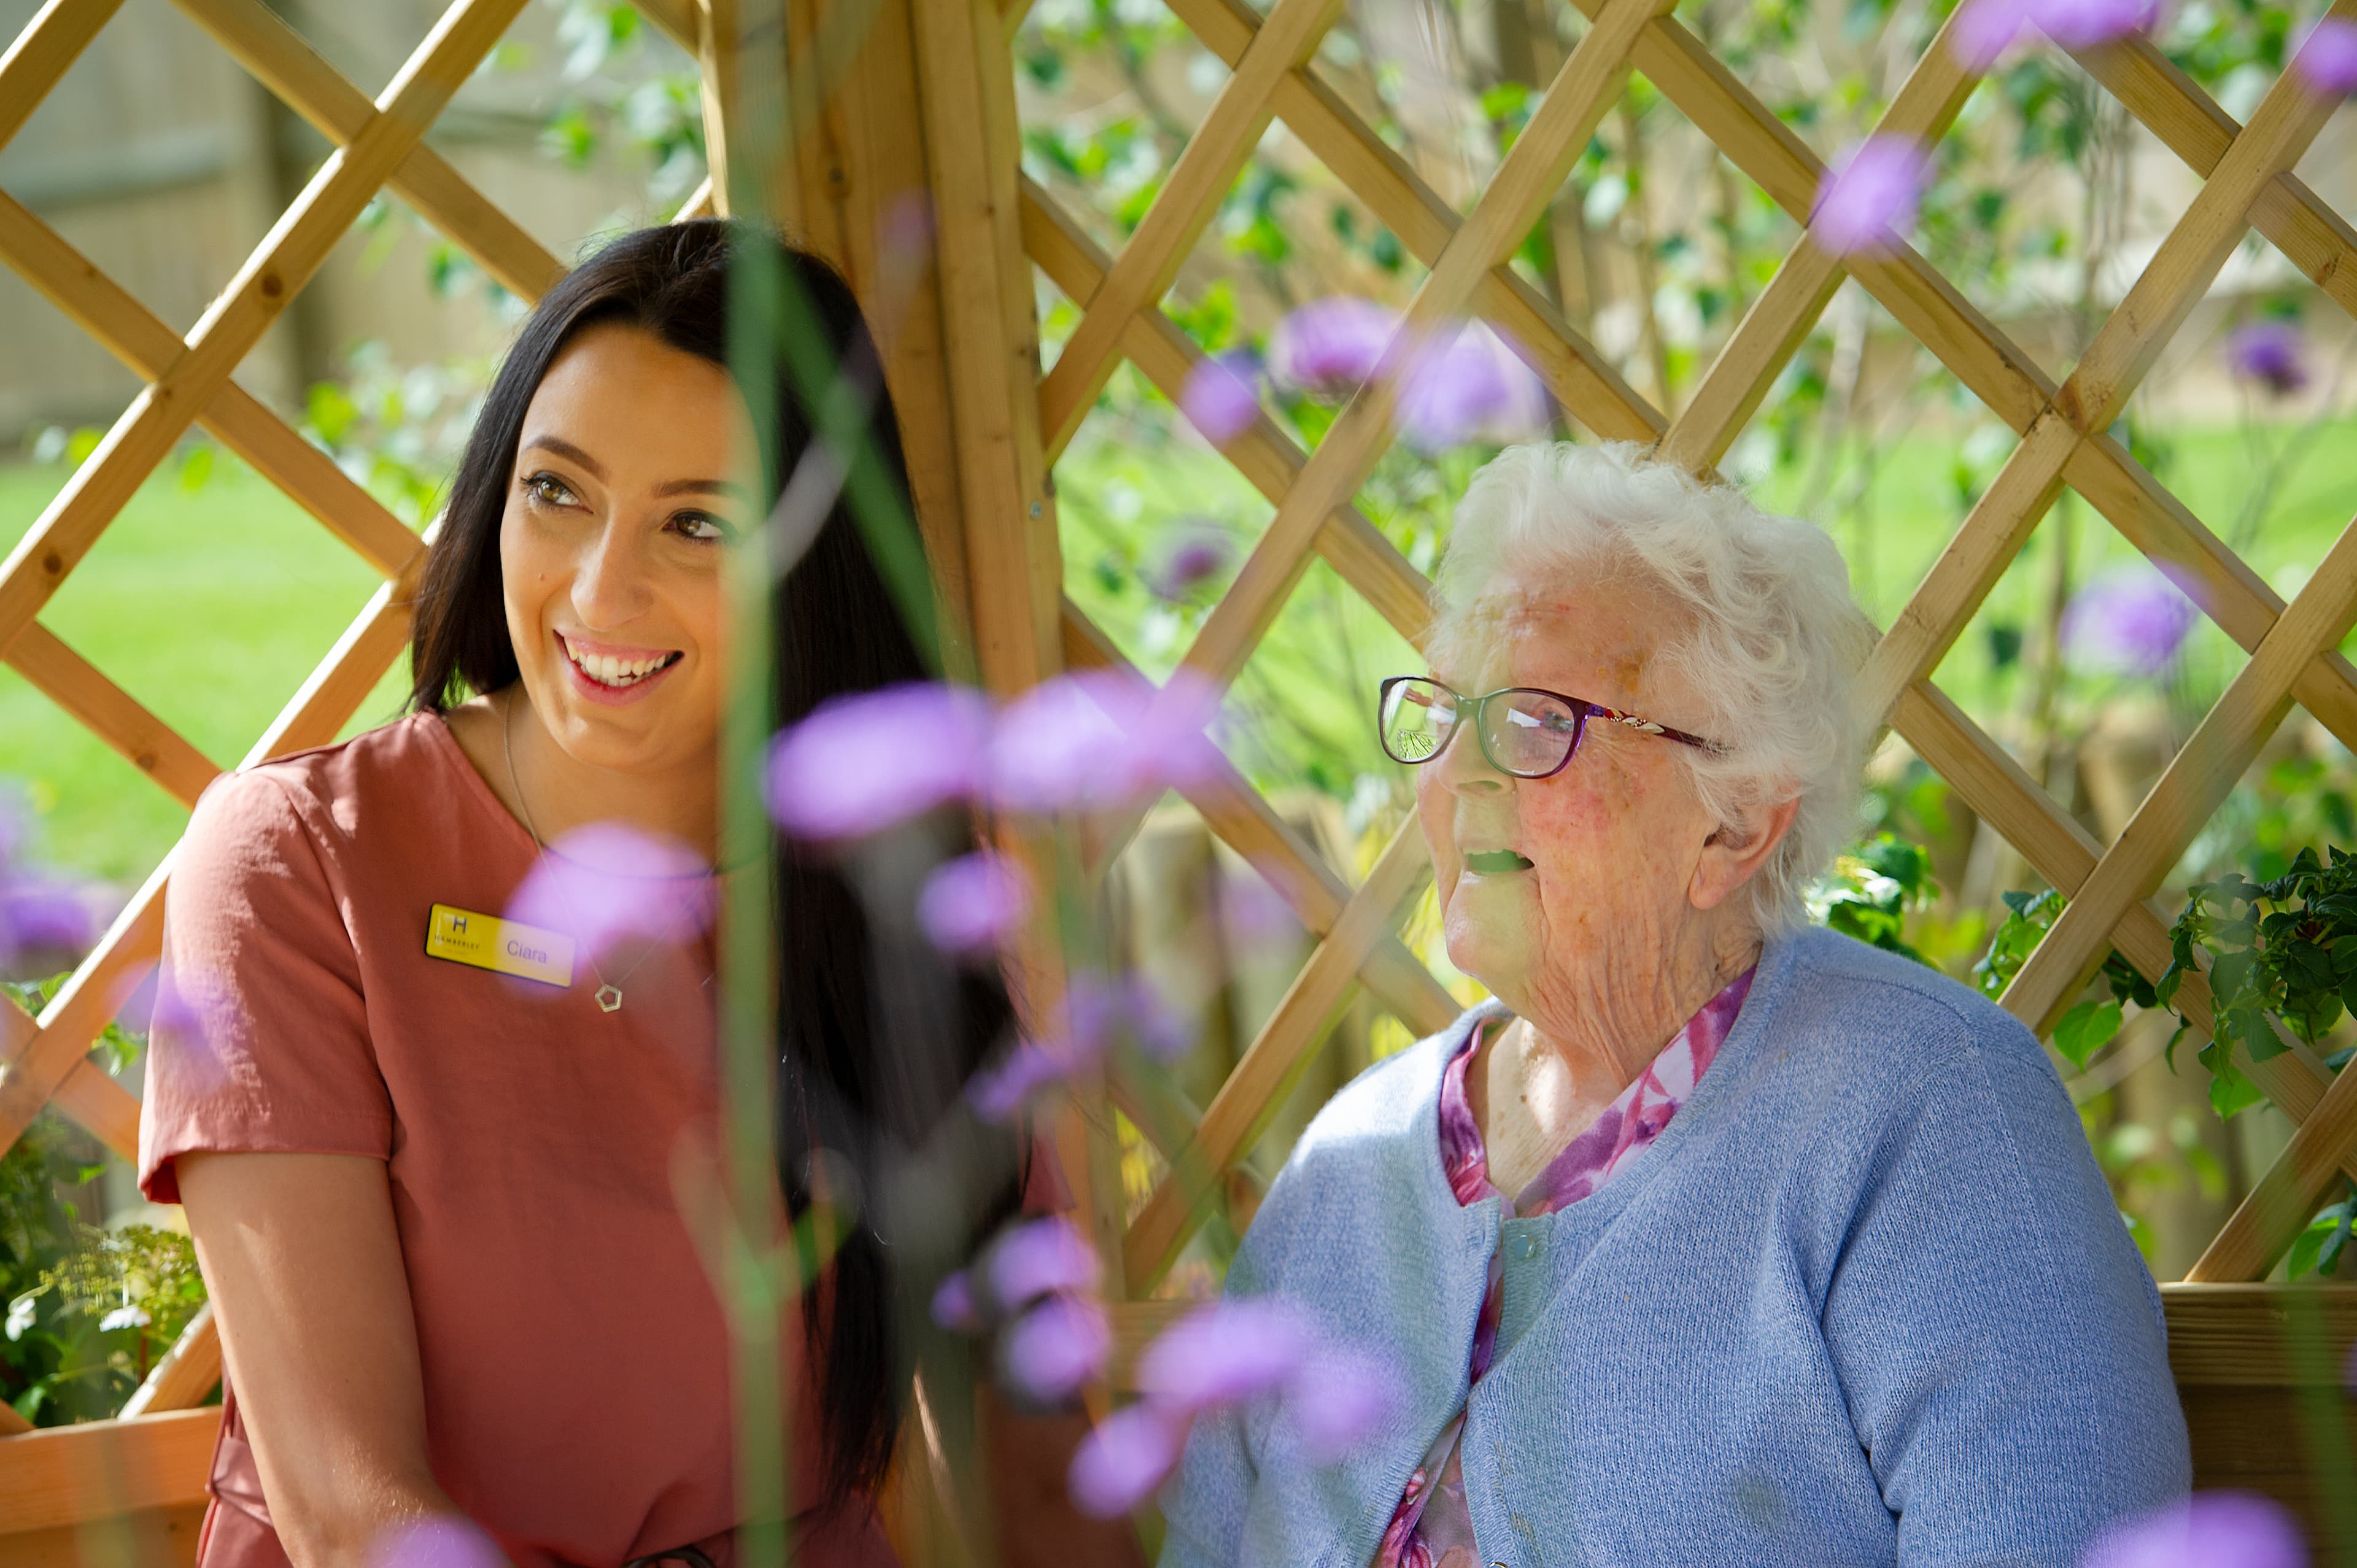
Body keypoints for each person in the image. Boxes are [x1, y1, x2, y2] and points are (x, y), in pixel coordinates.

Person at [140, 222, 1135, 1568]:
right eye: (558, 493)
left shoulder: (889, 880)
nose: (603, 589)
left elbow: (1024, 1475)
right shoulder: (299, 863)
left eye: (699, 522)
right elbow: (348, 1509)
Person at [1158, 441, 2189, 1567]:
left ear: (1736, 823)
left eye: (1542, 720)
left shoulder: (1936, 1119)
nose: (1462, 775)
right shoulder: (1349, 1162)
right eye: (1446, 713)